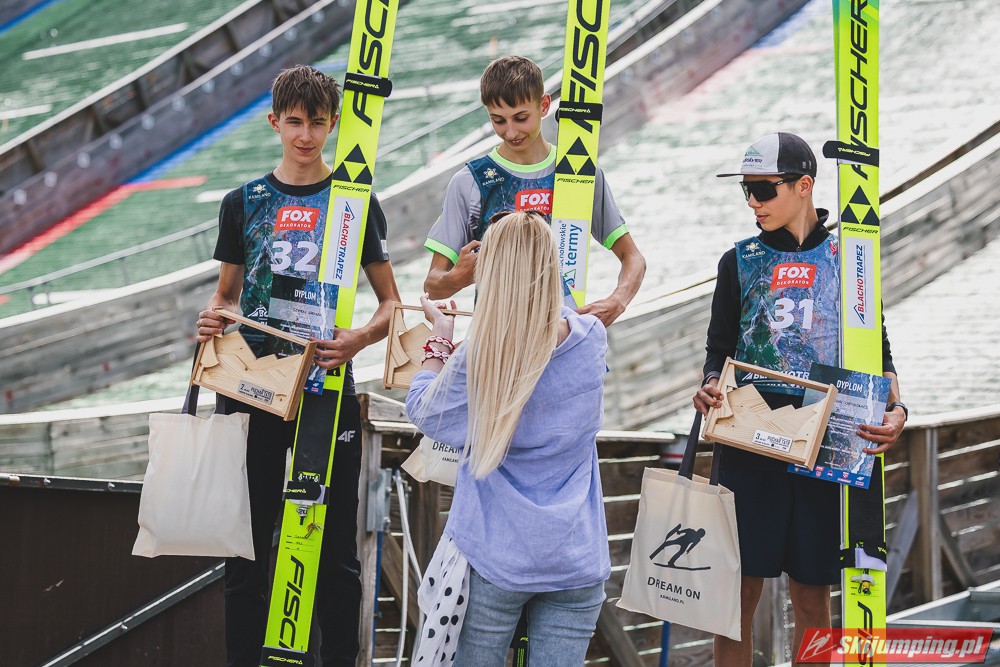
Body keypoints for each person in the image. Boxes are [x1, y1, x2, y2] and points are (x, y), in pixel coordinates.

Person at [195, 64, 400, 667]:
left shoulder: (355, 202)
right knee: (246, 547)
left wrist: (358, 340)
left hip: (326, 386)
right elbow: (226, 296)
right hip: (253, 386)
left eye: (316, 123)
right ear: (274, 123)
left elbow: (391, 303)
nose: (305, 135)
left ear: (333, 124)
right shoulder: (243, 202)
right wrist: (212, 319)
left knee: (336, 551)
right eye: (294, 122)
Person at [692, 132, 908, 666]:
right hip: (748, 440)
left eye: (764, 189)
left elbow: (879, 352)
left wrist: (898, 411)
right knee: (736, 598)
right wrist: (710, 384)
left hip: (823, 445)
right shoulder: (737, 260)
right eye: (746, 190)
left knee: (812, 595)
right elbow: (718, 351)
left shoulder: (852, 259)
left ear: (804, 185)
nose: (753, 201)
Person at [406, 211, 611, 666]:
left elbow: (425, 410)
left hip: (495, 558)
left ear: (491, 272)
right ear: (553, 268)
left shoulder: (482, 354)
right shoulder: (592, 339)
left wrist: (440, 340)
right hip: (575, 557)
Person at [422, 55, 645, 326]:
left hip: (564, 338)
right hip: (497, 341)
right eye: (498, 120)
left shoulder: (578, 173)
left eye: (520, 118)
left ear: (544, 105)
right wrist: (458, 278)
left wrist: (617, 301)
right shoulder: (470, 181)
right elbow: (433, 286)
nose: (511, 132)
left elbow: (633, 257)